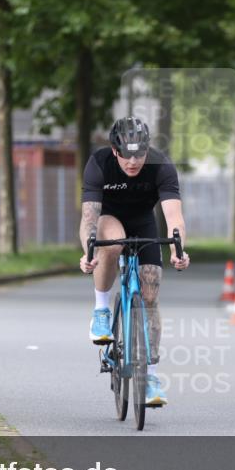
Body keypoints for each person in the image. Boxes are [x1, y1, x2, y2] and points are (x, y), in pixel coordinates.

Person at [78, 117, 190, 406]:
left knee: (151, 293)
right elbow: (89, 218)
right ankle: (102, 310)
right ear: (114, 150)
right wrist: (88, 252)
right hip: (109, 218)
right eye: (126, 155)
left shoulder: (161, 166)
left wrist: (178, 250)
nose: (132, 162)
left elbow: (173, 216)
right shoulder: (99, 163)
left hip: (143, 222)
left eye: (139, 155)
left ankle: (151, 375)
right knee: (112, 245)